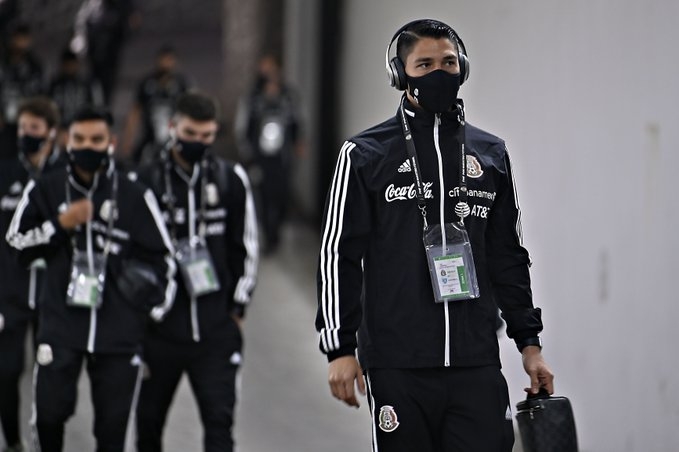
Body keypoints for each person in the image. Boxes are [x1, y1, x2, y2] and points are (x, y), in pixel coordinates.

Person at [315, 19, 554, 452]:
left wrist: (529, 344)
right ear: (399, 74)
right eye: (423, 64)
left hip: (476, 360)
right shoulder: (365, 155)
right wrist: (339, 347)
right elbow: (338, 254)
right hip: (396, 363)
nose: (439, 72)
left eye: (448, 62)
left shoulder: (491, 154)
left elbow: (508, 257)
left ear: (462, 67)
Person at [5, 106, 176, 452]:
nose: (87, 146)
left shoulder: (134, 193)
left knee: (113, 432)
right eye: (79, 139)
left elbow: (165, 262)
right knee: (49, 419)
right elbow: (16, 245)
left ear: (111, 142)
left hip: (118, 335)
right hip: (60, 327)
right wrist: (60, 225)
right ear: (67, 140)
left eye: (96, 139)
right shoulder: (46, 187)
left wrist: (146, 313)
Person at [135, 92, 258, 452]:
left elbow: (246, 248)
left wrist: (237, 309)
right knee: (147, 428)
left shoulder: (231, 179)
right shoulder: (145, 181)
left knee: (220, 430)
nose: (198, 143)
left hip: (216, 332)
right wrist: (142, 315)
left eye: (206, 136)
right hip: (158, 333)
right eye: (190, 133)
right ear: (172, 127)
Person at [0, 97, 65, 452]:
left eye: (34, 130)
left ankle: (46, 441)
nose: (27, 135)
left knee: (50, 378)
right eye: (23, 129)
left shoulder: (64, 177)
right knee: (7, 373)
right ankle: (12, 441)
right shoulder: (5, 172)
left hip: (51, 299)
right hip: (9, 294)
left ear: (51, 133)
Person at [234, 54, 303, 254]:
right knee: (262, 196)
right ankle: (269, 235)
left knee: (281, 194)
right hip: (260, 157)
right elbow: (243, 126)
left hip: (283, 156)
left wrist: (299, 141)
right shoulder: (252, 98)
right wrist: (247, 152)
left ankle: (277, 228)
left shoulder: (289, 96)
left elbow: (297, 121)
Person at [120, 45, 190, 164]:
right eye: (164, 59)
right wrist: (128, 139)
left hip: (175, 137)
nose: (166, 63)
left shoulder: (181, 83)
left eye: (170, 60)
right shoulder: (147, 83)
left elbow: (189, 110)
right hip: (150, 137)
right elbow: (135, 112)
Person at [0, 23, 44, 160]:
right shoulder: (3, 63)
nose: (21, 43)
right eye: (18, 38)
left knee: (24, 160)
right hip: (4, 120)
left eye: (24, 39)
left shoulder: (34, 67)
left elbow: (39, 95)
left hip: (25, 121)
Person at [48, 49, 104, 145]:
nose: (70, 68)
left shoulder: (85, 85)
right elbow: (49, 108)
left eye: (72, 64)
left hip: (81, 128)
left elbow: (95, 109)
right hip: (59, 130)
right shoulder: (55, 85)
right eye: (67, 65)